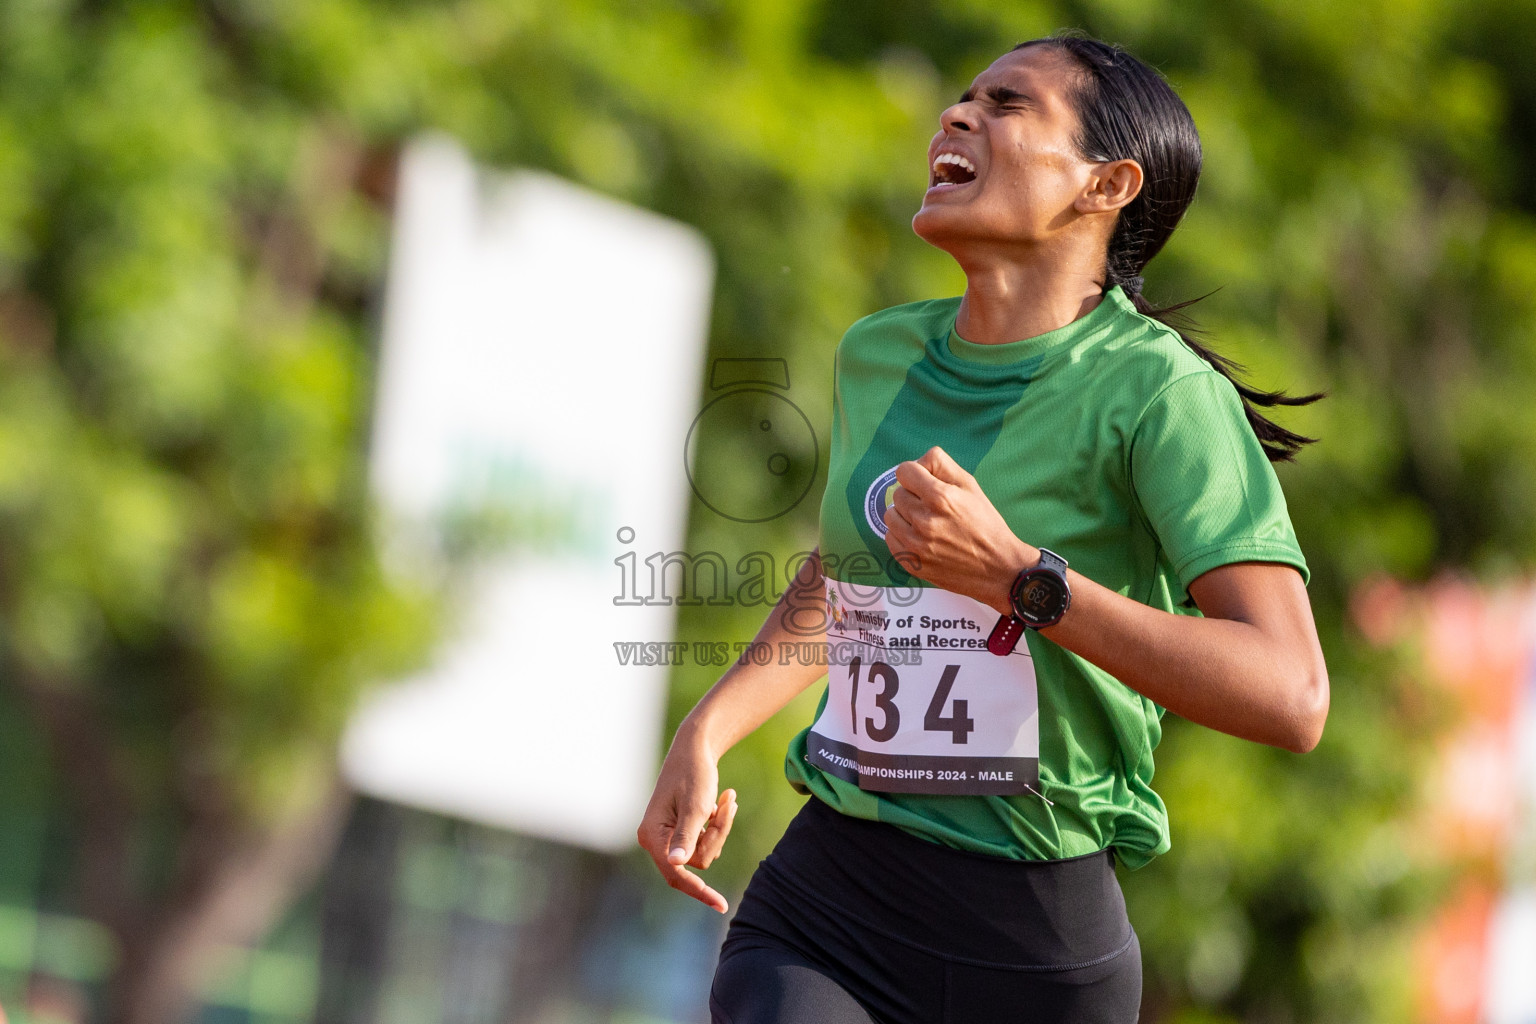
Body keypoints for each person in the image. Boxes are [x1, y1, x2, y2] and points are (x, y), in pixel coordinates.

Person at [638, 33, 1329, 1024]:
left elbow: (1292, 693)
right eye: (961, 98)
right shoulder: (878, 353)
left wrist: (1019, 580)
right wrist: (711, 726)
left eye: (1008, 104)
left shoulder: (1161, 394)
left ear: (1108, 184)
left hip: (1035, 951)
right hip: (829, 901)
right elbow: (852, 578)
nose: (957, 117)